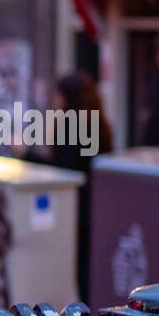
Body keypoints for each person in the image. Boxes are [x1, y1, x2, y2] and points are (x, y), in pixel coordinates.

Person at [42, 71, 113, 299]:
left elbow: (62, 165)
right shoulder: (99, 122)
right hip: (96, 199)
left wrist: (26, 155)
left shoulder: (70, 125)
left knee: (75, 259)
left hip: (74, 203)